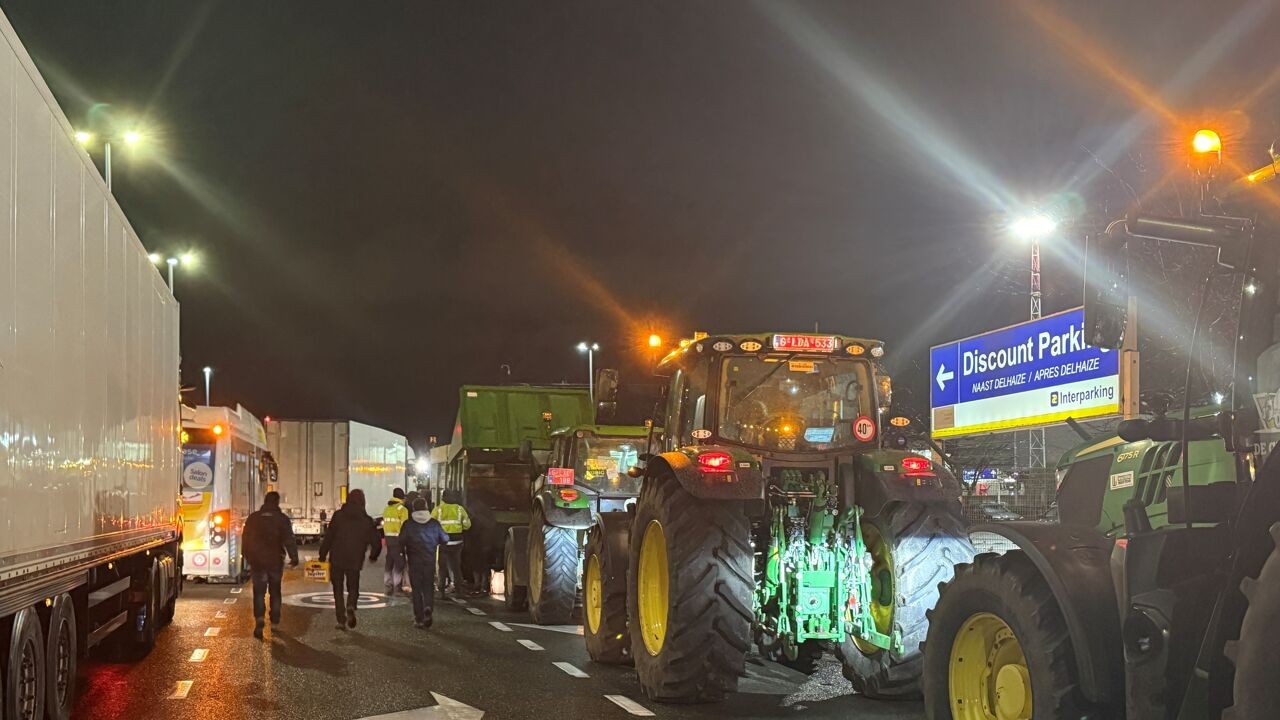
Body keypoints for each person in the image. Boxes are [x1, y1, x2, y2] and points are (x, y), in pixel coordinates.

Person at [319, 489, 380, 630]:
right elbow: (376, 541)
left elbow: (329, 537)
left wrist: (322, 554)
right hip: (355, 559)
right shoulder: (366, 520)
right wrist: (373, 555)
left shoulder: (338, 516)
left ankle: (341, 620)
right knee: (353, 587)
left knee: (338, 589)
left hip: (337, 558)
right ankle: (351, 605)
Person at [242, 491, 299, 639]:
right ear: (277, 502)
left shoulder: (253, 518)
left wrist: (246, 555)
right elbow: (289, 539)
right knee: (275, 591)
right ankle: (274, 619)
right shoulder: (282, 519)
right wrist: (294, 558)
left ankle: (259, 618)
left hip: (257, 561)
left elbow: (245, 538)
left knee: (259, 592)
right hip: (275, 560)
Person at [399, 497, 451, 628]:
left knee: (416, 589)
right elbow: (445, 538)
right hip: (429, 560)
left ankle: (419, 618)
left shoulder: (408, 524)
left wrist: (403, 552)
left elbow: (401, 540)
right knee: (428, 586)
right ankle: (428, 607)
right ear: (426, 507)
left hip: (414, 560)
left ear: (414, 508)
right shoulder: (434, 523)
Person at [432, 489, 471, 595]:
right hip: (457, 542)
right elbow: (467, 525)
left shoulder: (438, 509)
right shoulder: (460, 509)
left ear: (443, 497)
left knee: (442, 566)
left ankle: (441, 589)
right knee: (456, 566)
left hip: (443, 543)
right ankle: (458, 589)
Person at [462, 496, 494, 596]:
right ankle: (483, 586)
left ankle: (478, 585)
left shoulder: (472, 512)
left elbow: (467, 527)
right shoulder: (487, 514)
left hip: (475, 543)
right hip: (485, 543)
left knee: (476, 564)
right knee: (484, 565)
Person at [382, 488, 409, 595]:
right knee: (399, 563)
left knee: (390, 561)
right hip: (398, 540)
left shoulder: (387, 509)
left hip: (388, 539)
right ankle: (397, 585)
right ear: (402, 497)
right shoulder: (403, 509)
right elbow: (405, 527)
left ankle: (388, 584)